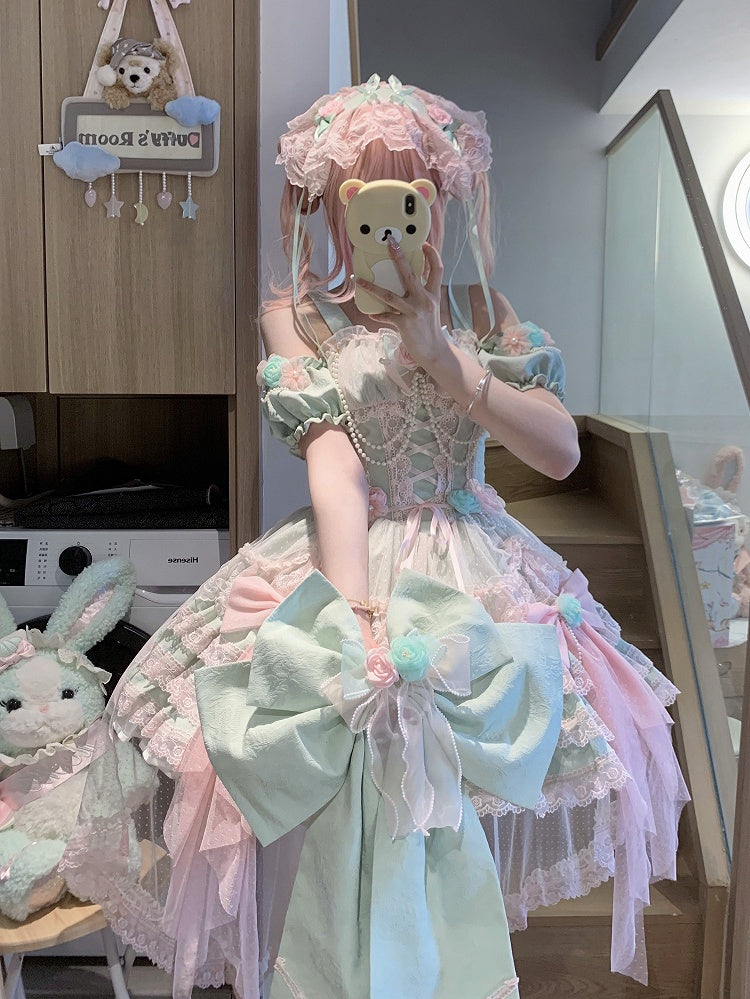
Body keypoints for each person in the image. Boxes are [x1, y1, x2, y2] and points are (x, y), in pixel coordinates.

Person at [65, 76, 689, 999]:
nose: (390, 227)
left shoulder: (480, 313)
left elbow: (559, 453)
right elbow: (337, 467)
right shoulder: (299, 314)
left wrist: (447, 358)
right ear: (334, 205)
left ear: (438, 199)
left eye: (412, 194)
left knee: (448, 820)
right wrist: (353, 614)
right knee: (343, 804)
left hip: (474, 565)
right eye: (365, 199)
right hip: (348, 557)